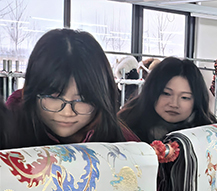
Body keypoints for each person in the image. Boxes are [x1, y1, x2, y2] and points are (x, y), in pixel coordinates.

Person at [5, 29, 138, 148]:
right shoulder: (7, 133)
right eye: (53, 97)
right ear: (31, 93)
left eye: (83, 99)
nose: (67, 112)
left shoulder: (125, 147)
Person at [119, 57, 216, 143]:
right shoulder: (125, 129)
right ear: (151, 92)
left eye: (184, 97)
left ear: (196, 101)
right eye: (166, 93)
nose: (174, 104)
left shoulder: (209, 136)